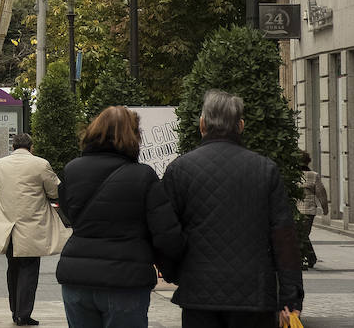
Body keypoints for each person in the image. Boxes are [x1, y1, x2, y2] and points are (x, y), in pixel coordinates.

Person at [162, 89, 303, 328]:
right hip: (254, 293)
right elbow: (284, 237)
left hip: (199, 293)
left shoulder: (179, 170)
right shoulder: (265, 170)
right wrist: (291, 297)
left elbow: (166, 233)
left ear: (202, 124)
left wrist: (175, 273)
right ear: (241, 125)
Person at [56, 106, 185, 328]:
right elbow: (165, 234)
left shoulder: (72, 170)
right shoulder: (143, 176)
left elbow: (69, 214)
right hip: (126, 280)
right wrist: (176, 268)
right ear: (133, 136)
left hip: (77, 279)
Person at [0, 132, 68, 326]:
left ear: (13, 147)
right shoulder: (41, 164)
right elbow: (54, 191)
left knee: (13, 268)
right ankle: (24, 314)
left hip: (7, 226)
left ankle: (15, 311)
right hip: (32, 226)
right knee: (29, 268)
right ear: (31, 147)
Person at [297, 151, 328, 270]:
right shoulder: (292, 174)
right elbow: (322, 193)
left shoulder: (313, 175)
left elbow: (321, 193)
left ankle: (308, 258)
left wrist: (325, 208)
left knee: (303, 235)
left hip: (307, 210)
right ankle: (310, 258)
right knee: (301, 235)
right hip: (297, 211)